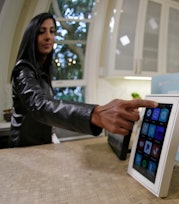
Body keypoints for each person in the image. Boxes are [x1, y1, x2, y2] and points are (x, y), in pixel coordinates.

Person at [9, 12, 157, 147]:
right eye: (41, 31)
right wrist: (94, 114)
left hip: (42, 145)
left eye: (52, 31)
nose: (48, 36)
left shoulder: (42, 70)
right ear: (31, 36)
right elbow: (40, 105)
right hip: (24, 147)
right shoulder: (23, 70)